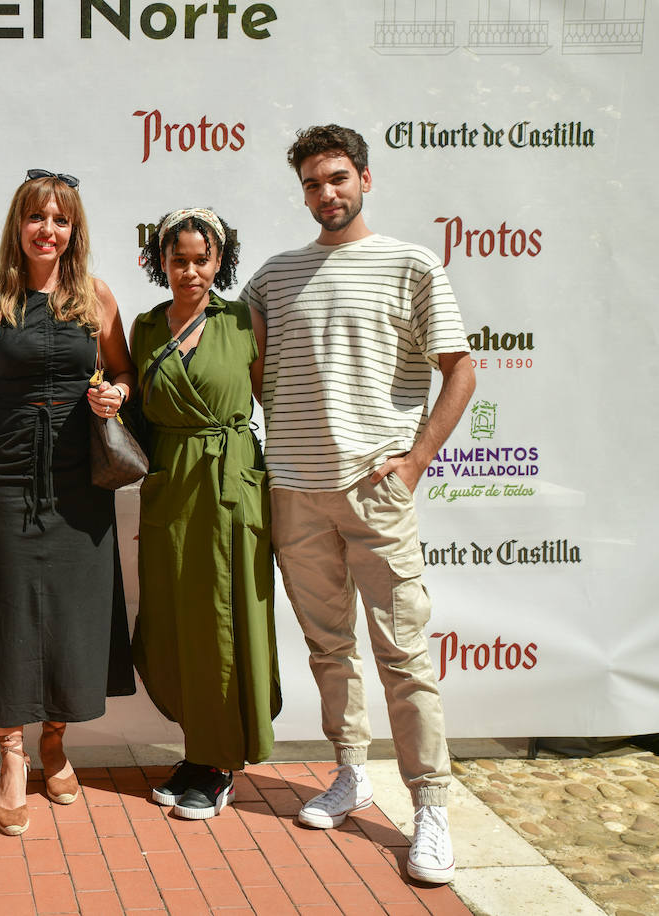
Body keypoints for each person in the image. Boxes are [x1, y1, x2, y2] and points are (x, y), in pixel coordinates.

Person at [242, 125, 475, 885]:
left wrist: (413, 463)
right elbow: (239, 358)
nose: (326, 194)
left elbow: (461, 373)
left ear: (365, 180)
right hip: (294, 492)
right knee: (329, 649)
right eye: (312, 183)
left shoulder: (410, 263)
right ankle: (350, 772)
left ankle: (431, 807)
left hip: (376, 492)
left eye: (337, 178)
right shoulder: (275, 275)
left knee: (404, 654)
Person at [0, 170, 136, 837]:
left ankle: (55, 741)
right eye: (37, 218)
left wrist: (117, 394)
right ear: (19, 225)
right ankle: (11, 759)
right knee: (13, 619)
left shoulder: (97, 297)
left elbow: (123, 372)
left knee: (73, 618)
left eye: (60, 220)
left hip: (80, 485)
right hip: (9, 479)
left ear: (74, 230)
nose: (48, 230)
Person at [129, 208, 280, 820]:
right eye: (177, 259)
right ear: (160, 262)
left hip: (230, 487)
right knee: (174, 619)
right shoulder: (143, 328)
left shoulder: (245, 320)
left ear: (220, 262)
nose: (189, 271)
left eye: (201, 259)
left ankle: (218, 764)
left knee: (225, 617)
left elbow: (277, 400)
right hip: (170, 487)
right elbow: (134, 413)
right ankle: (197, 750)